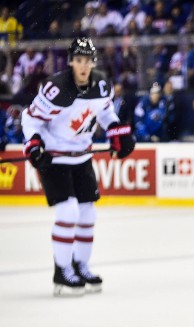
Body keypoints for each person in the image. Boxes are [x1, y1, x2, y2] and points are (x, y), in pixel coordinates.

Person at [20, 37, 135, 296]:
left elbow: (105, 113)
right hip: (54, 159)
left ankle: (80, 265)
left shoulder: (102, 84)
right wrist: (33, 143)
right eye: (79, 60)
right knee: (68, 212)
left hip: (81, 156)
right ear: (71, 61)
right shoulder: (56, 88)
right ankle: (62, 271)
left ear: (93, 62)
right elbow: (30, 118)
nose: (83, 66)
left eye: (88, 60)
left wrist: (117, 131)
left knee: (87, 214)